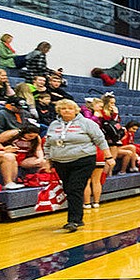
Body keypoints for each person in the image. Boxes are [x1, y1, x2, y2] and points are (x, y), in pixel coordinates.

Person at [46, 99, 114, 232]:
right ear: (59, 110)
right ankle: (76, 218)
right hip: (60, 161)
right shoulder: (54, 125)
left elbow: (100, 139)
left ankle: (74, 220)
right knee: (68, 189)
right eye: (64, 108)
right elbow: (48, 143)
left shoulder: (87, 123)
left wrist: (109, 157)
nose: (67, 111)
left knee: (75, 188)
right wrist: (47, 160)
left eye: (70, 108)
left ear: (76, 110)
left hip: (83, 160)